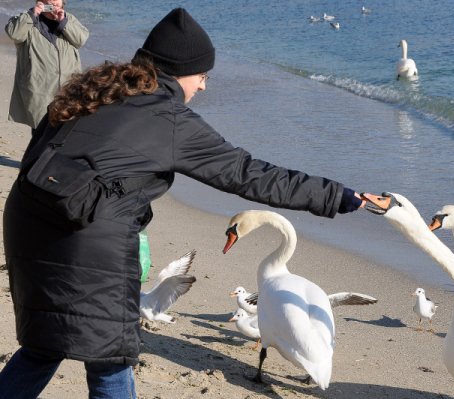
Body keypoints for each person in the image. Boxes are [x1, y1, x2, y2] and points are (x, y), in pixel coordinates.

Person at [0, 8, 372, 399]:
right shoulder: (168, 117)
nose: (204, 87)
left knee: (44, 345)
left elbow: (35, 156)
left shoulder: (91, 93)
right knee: (111, 359)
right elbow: (249, 174)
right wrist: (339, 196)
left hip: (28, 224)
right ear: (180, 73)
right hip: (87, 241)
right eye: (203, 77)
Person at [5, 0, 89, 130]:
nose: (53, 2)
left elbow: (81, 39)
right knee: (40, 130)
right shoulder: (28, 19)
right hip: (39, 88)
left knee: (64, 131)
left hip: (68, 88)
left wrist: (63, 22)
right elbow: (14, 34)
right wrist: (33, 14)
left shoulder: (69, 19)